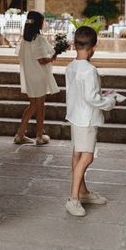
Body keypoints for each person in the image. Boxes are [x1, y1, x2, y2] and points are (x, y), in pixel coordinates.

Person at [64, 26, 116, 217]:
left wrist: (99, 94)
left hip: (75, 115)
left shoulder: (70, 66)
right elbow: (92, 99)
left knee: (77, 155)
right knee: (87, 157)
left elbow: (78, 92)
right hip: (86, 119)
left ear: (74, 44)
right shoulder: (90, 70)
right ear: (94, 46)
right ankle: (73, 199)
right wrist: (110, 101)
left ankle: (83, 193)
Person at [14, 11, 59, 146]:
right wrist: (53, 57)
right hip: (39, 76)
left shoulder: (24, 40)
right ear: (38, 23)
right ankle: (39, 136)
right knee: (40, 106)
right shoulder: (38, 38)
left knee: (33, 105)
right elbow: (42, 60)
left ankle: (20, 135)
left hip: (29, 76)